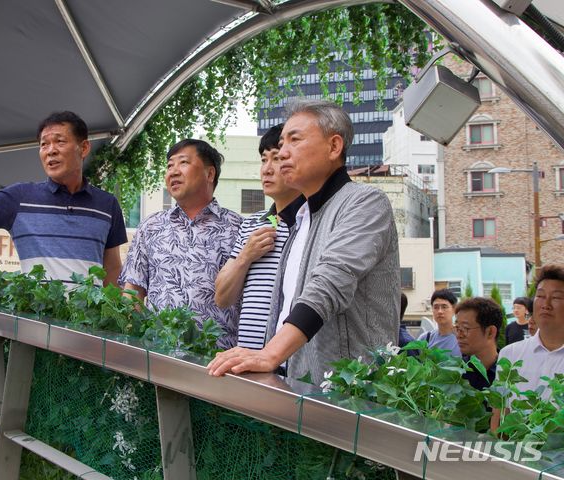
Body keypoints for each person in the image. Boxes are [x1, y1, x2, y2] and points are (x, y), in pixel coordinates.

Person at [207, 100, 400, 384]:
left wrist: (269, 354)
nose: (282, 153)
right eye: (281, 143)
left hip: (352, 395)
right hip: (297, 386)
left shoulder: (365, 202)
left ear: (334, 147)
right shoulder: (299, 219)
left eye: (294, 140)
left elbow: (330, 284)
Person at [0, 108, 127, 286]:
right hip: (37, 321)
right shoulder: (20, 197)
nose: (50, 150)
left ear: (83, 148)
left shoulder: (107, 205)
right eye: (44, 144)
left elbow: (112, 269)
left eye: (60, 141)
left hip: (87, 323)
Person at [119, 139, 242, 348]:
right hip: (160, 356)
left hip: (220, 361)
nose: (173, 172)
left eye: (183, 163)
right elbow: (133, 293)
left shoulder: (238, 228)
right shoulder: (151, 227)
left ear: (210, 174)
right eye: (169, 166)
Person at [214, 124, 304, 349]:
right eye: (264, 160)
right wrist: (246, 256)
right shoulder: (252, 224)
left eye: (276, 158)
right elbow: (222, 298)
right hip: (249, 359)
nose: (267, 169)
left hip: (294, 363)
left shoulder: (313, 222)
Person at [491, 264, 564, 431]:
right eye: (540, 296)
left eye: (556, 297)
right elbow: (500, 416)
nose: (546, 304)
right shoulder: (510, 354)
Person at [454, 297, 501, 390]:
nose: (459, 335)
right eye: (457, 328)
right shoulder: (455, 373)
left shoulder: (508, 374)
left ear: (490, 332)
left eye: (464, 328)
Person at [417, 289, 461, 357]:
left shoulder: (463, 338)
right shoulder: (425, 338)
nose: (440, 311)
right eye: (436, 307)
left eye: (444, 307)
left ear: (454, 309)